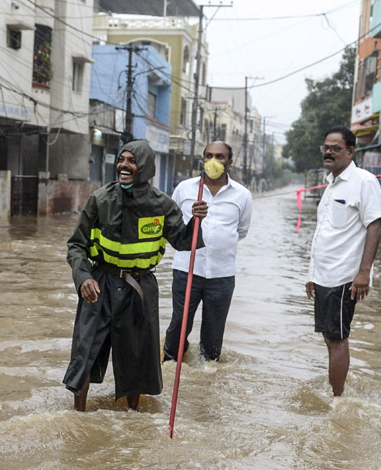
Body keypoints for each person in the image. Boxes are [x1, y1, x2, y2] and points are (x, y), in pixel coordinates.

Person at [64, 140, 207, 411]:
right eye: (121, 159)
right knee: (85, 352)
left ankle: (132, 417)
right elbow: (76, 245)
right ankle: (78, 415)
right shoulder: (100, 199)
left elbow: (183, 241)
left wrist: (197, 220)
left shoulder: (161, 205)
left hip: (139, 286)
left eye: (131, 161)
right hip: (100, 283)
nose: (124, 166)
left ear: (145, 168)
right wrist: (83, 278)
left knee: (137, 354)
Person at [306, 126, 381, 397]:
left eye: (335, 148)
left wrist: (364, 272)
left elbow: (375, 225)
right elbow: (323, 232)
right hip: (324, 275)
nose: (328, 152)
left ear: (350, 151)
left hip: (344, 276)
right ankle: (336, 391)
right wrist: (311, 273)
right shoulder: (330, 184)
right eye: (325, 147)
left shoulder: (364, 182)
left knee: (337, 338)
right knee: (329, 337)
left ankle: (337, 399)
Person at [162, 141, 252, 363]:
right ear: (202, 159)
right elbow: (172, 228)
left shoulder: (242, 195)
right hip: (186, 270)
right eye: (209, 156)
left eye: (220, 157)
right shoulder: (185, 189)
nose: (214, 161)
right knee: (179, 325)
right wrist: (194, 219)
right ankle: (170, 364)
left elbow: (241, 231)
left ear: (229, 162)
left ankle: (208, 371)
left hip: (222, 274)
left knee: (214, 331)